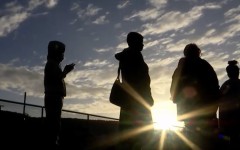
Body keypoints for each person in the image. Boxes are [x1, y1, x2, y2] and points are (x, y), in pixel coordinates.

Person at [170, 43, 220, 148]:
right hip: (205, 110)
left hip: (188, 112)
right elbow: (215, 86)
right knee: (205, 140)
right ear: (198, 52)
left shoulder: (181, 68)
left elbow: (174, 89)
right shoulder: (205, 65)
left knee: (191, 139)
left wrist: (176, 100)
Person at [115, 32, 154, 149]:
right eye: (140, 42)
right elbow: (142, 81)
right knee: (141, 136)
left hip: (128, 101)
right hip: (138, 101)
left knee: (129, 135)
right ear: (133, 42)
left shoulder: (125, 56)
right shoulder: (135, 56)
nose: (143, 45)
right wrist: (148, 98)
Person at [44, 40, 75, 148]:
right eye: (61, 53)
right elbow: (56, 78)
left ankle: (53, 141)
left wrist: (64, 71)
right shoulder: (51, 64)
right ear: (56, 53)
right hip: (54, 97)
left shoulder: (53, 64)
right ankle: (52, 143)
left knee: (54, 122)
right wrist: (66, 71)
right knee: (54, 123)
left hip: (54, 96)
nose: (63, 55)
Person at [219, 60, 240, 149]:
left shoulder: (226, 85)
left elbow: (219, 98)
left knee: (225, 140)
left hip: (226, 119)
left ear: (228, 73)